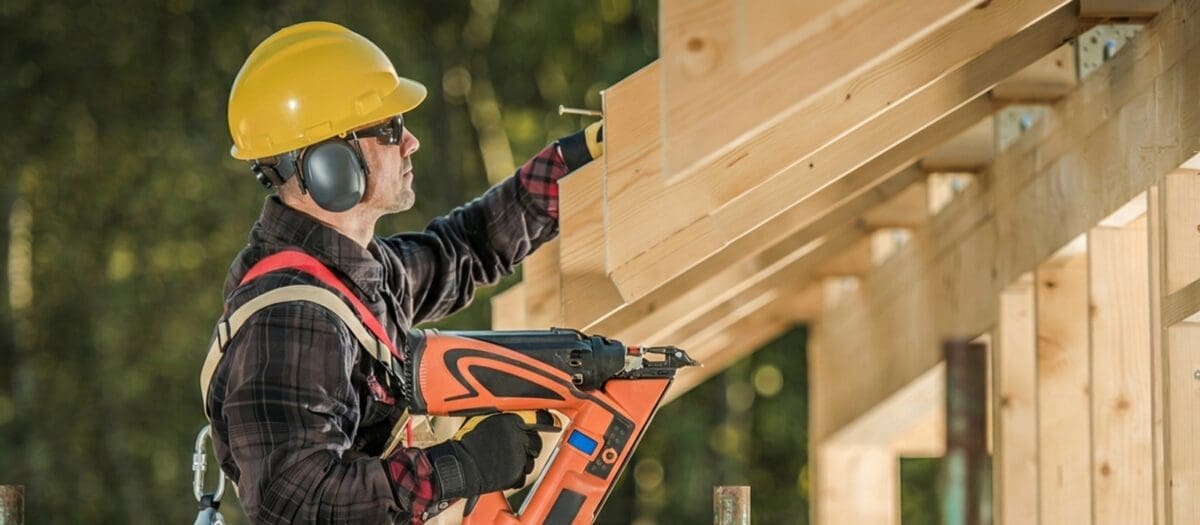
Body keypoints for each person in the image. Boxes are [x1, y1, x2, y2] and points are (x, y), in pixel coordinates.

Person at [202, 22, 603, 524]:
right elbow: (295, 505)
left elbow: (467, 247)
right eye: (389, 129)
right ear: (331, 163)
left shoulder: (354, 276)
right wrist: (457, 469)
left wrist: (577, 160)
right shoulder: (292, 315)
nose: (411, 141)